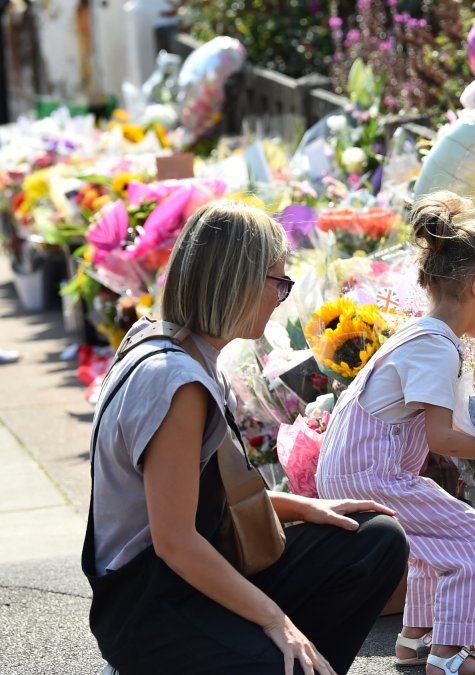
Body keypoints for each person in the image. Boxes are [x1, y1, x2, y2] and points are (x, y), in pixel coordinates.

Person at [83, 200, 409, 675]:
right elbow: (174, 540)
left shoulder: (170, 345)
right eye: (278, 282)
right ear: (237, 280)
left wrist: (306, 507)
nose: (281, 297)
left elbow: (199, 499)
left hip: (181, 577)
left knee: (375, 538)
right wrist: (276, 620)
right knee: (282, 658)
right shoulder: (176, 382)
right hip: (151, 607)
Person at [316, 191, 475, 675]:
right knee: (474, 537)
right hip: (372, 474)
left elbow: (441, 421)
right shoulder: (436, 346)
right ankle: (452, 654)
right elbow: (441, 438)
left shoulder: (422, 334)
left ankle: (416, 638)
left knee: (433, 542)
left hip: (356, 469)